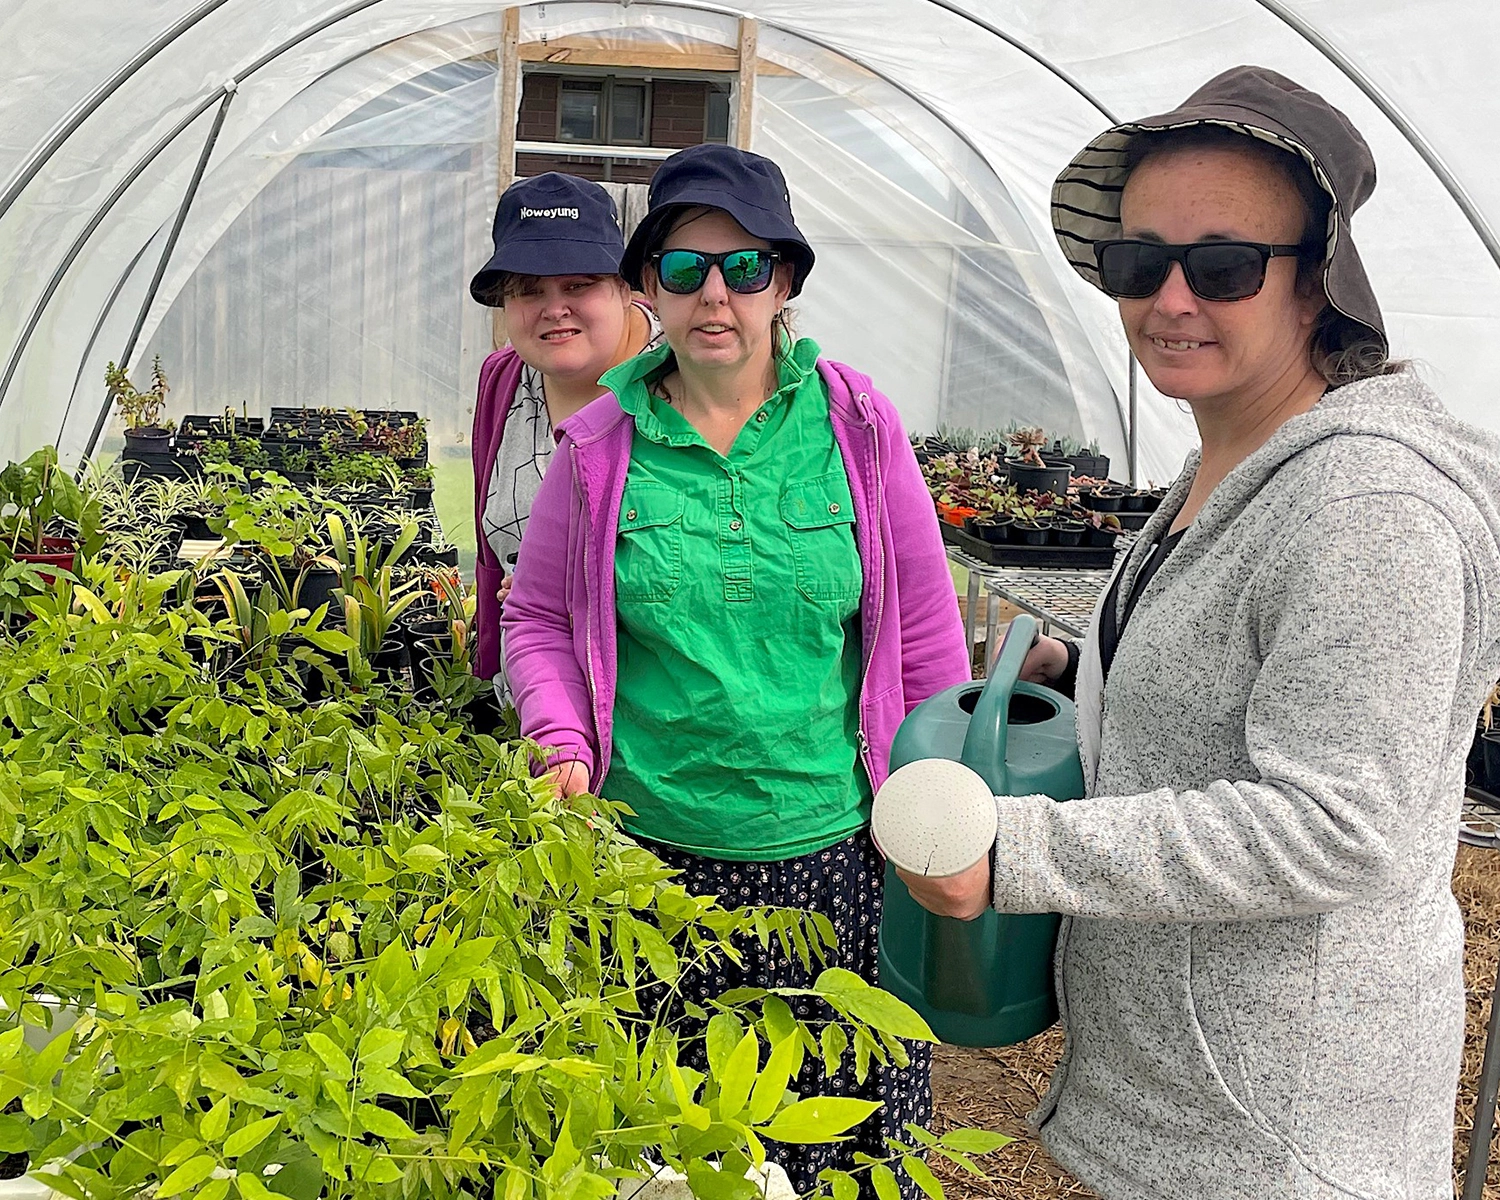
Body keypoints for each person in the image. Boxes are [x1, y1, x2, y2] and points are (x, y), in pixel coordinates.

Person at [889, 66, 1500, 1199]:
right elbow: (1225, 670)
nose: (1170, 299)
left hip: (1277, 1137)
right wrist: (1085, 668)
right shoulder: (1221, 457)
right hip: (1185, 1098)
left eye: (1221, 266)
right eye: (1138, 263)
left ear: (1316, 282)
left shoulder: (1370, 509)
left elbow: (1339, 826)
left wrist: (1015, 853)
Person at [501, 143, 970, 1195]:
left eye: (744, 267)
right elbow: (532, 618)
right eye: (683, 269)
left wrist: (929, 803)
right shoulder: (599, 445)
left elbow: (928, 634)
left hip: (832, 859)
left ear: (786, 282)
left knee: (831, 1147)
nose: (715, 293)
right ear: (649, 291)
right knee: (667, 1147)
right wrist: (561, 737)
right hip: (649, 860)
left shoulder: (854, 424)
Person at [469, 172, 659, 689]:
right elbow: (494, 558)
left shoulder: (678, 379)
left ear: (623, 287)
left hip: (648, 715)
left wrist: (562, 595)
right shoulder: (504, 380)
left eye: (578, 284)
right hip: (534, 701)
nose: (555, 308)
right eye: (528, 290)